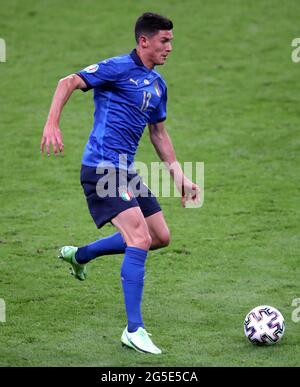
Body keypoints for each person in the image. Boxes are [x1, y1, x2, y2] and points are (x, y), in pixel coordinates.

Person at [40, 12, 199, 355]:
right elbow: (67, 82)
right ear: (144, 41)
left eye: (170, 41)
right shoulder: (116, 68)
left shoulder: (158, 85)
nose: (169, 47)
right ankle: (134, 329)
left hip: (126, 171)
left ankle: (81, 255)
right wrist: (52, 123)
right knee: (139, 238)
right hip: (101, 169)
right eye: (163, 41)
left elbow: (158, 132)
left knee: (160, 237)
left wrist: (180, 176)